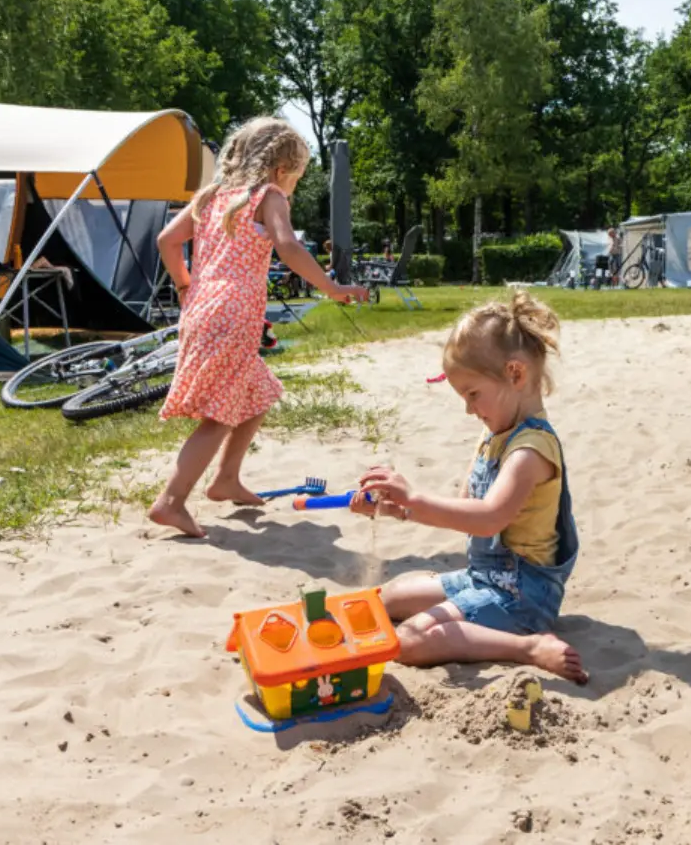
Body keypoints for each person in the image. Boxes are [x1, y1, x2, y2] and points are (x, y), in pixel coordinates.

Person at [348, 292, 587, 683]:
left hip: (522, 595)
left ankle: (528, 646)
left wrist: (414, 497)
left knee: (408, 641)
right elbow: (463, 512)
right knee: (388, 597)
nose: (469, 408)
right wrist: (391, 508)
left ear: (515, 374)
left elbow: (489, 519)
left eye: (473, 394)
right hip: (483, 576)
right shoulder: (493, 434)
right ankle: (475, 616)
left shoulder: (530, 450)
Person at [149, 118, 369, 538]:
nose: (294, 188)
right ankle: (171, 501)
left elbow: (166, 240)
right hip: (234, 313)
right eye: (297, 179)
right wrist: (332, 286)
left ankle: (226, 479)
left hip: (201, 308)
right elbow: (287, 246)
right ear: (280, 169)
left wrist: (183, 284)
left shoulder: (212, 196)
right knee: (219, 413)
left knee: (259, 391)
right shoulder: (267, 196)